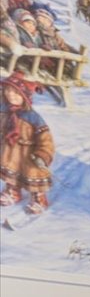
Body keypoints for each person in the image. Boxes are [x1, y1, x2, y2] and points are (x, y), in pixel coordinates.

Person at [0, 71, 55, 214]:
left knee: (33, 175)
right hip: (10, 151)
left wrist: (42, 154)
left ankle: (39, 199)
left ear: (25, 96)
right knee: (11, 172)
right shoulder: (3, 111)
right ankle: (12, 192)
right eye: (8, 91)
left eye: (16, 93)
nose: (11, 95)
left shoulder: (32, 117)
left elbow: (45, 139)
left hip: (30, 153)